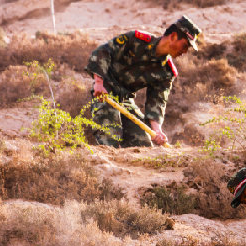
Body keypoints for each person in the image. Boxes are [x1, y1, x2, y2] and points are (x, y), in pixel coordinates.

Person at [86, 15, 201, 147]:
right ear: (173, 36)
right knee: (111, 137)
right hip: (105, 93)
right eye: (185, 45)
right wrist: (99, 83)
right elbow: (102, 52)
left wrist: (157, 130)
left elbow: (157, 102)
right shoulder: (136, 39)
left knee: (143, 143)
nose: (185, 51)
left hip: (125, 99)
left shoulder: (167, 72)